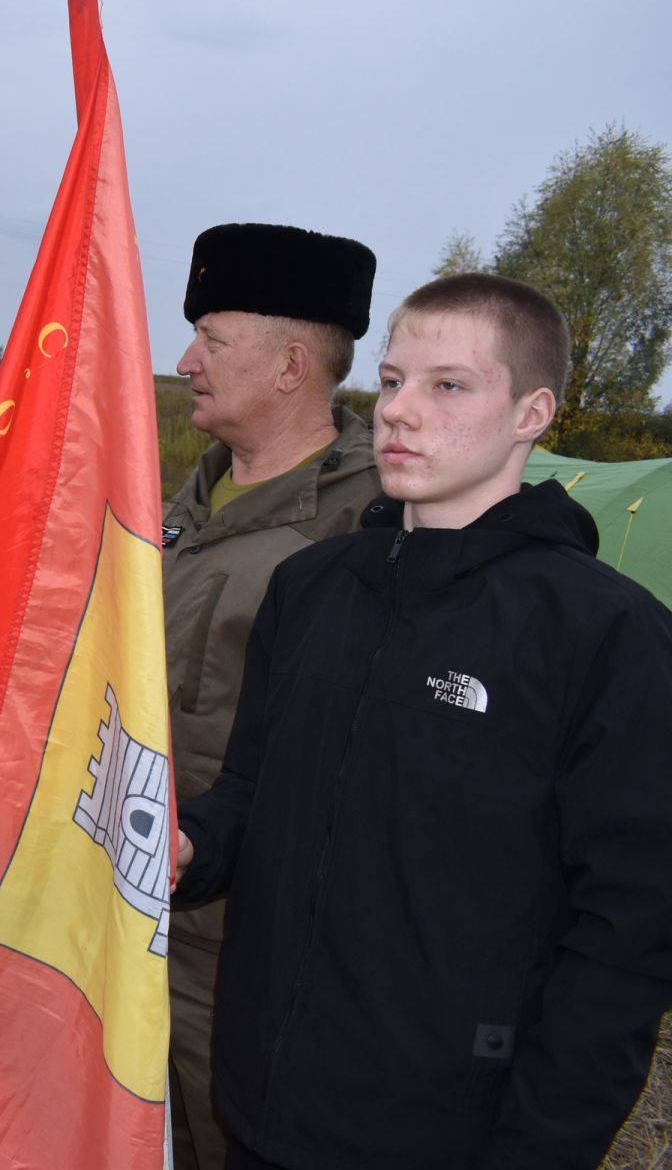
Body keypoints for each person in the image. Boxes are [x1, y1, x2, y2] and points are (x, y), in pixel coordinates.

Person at [173, 273, 672, 1169]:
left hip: (438, 1130)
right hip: (255, 1101)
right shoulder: (315, 587)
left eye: (449, 386)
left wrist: (540, 1146)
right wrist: (187, 844)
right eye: (394, 380)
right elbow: (253, 792)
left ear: (532, 412)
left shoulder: (606, 633)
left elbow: (627, 933)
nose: (400, 411)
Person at [160, 222, 383, 1170]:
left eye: (212, 339)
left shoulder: (372, 525)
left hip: (244, 947)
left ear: (293, 364)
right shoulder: (187, 497)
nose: (186, 362)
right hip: (132, 897)